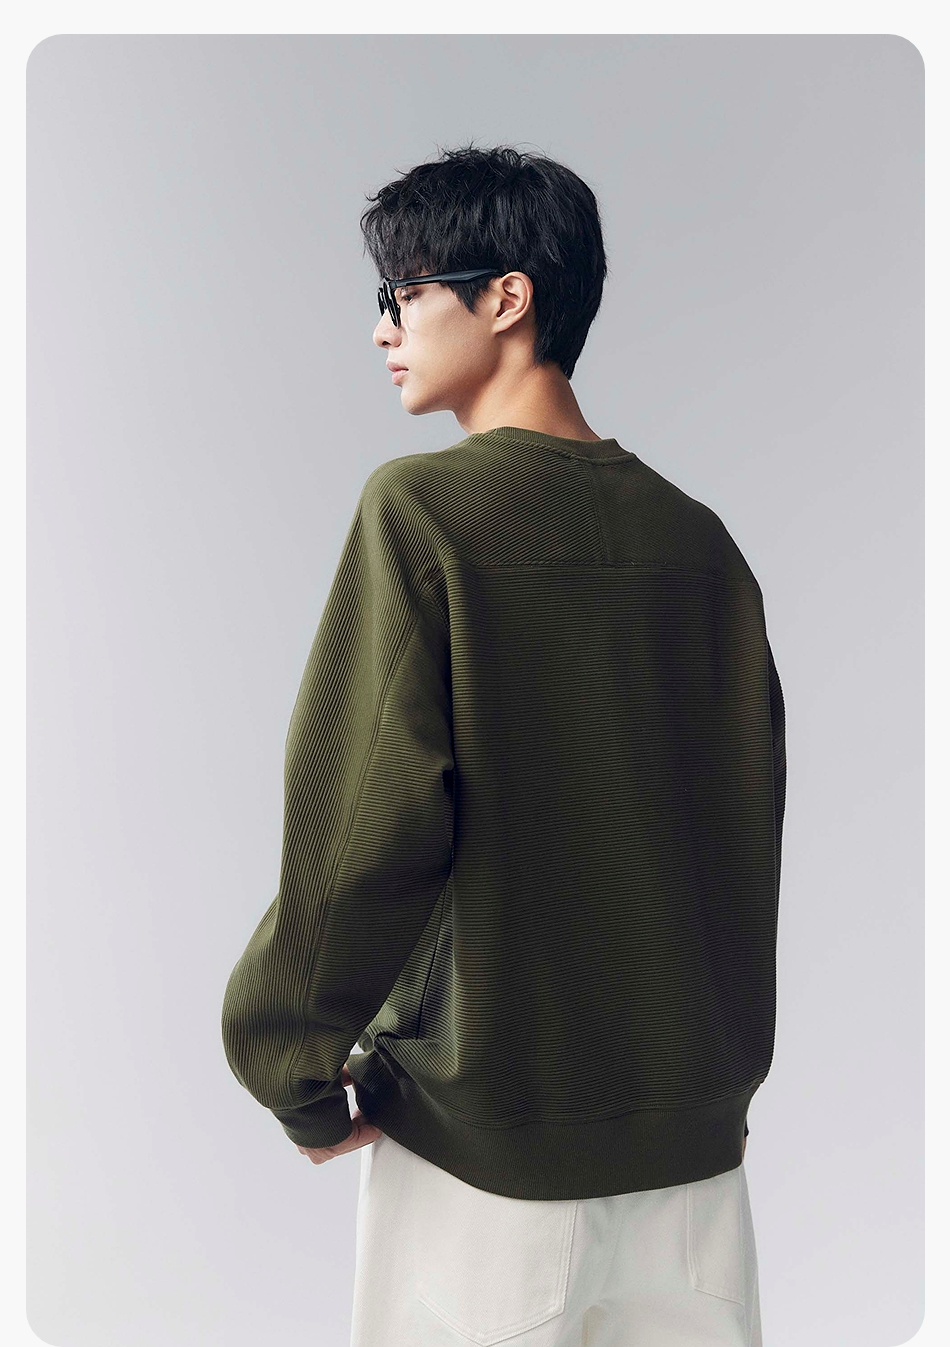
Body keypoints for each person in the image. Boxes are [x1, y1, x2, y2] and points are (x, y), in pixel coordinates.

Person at [221, 142, 786, 1346]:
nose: (383, 327)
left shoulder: (422, 514)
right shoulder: (701, 546)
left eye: (403, 292)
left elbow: (359, 834)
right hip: (695, 1165)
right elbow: (744, 831)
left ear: (507, 297)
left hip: (488, 1168)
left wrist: (292, 1066)